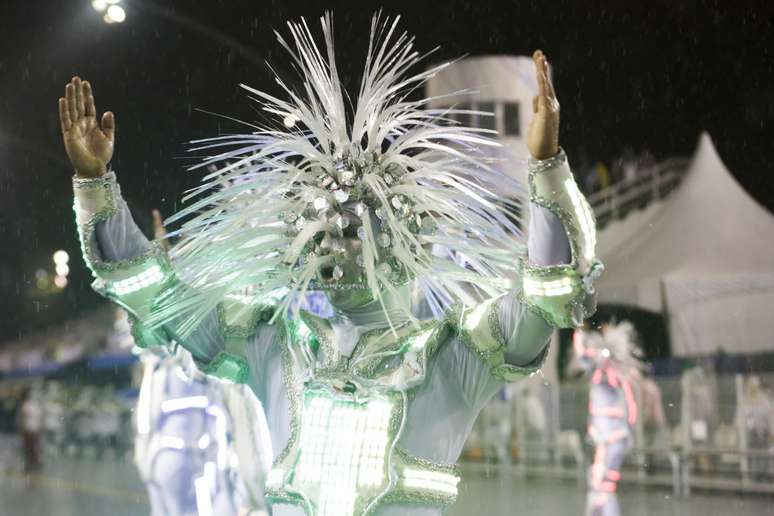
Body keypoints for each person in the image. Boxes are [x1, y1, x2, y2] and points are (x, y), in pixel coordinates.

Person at [58, 14, 601, 516]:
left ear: (398, 240)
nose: (327, 251)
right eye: (320, 233)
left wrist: (546, 170)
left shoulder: (451, 356)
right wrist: (94, 188)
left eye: (347, 231)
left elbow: (545, 296)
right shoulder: (278, 344)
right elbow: (158, 296)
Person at [573, 322, 641, 516]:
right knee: (598, 483)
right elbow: (583, 356)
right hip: (604, 437)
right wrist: (578, 332)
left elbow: (630, 408)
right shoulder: (599, 374)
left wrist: (625, 429)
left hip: (613, 437)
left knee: (604, 486)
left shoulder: (614, 377)